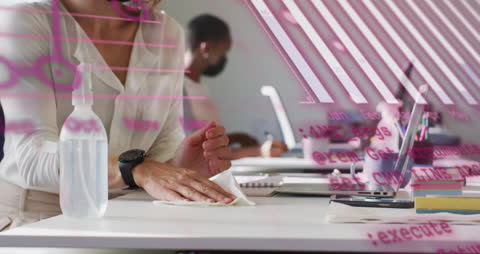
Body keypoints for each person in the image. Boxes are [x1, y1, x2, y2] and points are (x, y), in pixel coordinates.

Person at [0, 0, 235, 231]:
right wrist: (134, 169)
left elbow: (157, 159)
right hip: (38, 222)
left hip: (127, 217)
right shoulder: (26, 19)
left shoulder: (166, 32)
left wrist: (177, 167)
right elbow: (31, 158)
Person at [183, 14, 288, 159]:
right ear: (205, 49)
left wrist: (234, 138)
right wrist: (258, 152)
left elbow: (203, 139)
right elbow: (193, 153)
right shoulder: (178, 90)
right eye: (224, 51)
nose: (224, 58)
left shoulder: (198, 86)